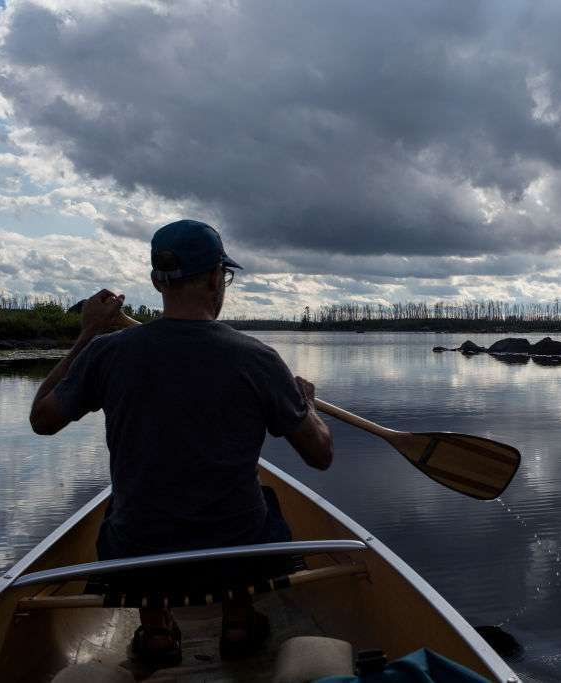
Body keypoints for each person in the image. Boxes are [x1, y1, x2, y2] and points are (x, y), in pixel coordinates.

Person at [29, 219, 333, 664]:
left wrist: (87, 335)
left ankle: (155, 634)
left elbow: (42, 419)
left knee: (123, 510)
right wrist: (307, 405)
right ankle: (239, 623)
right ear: (215, 278)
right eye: (224, 276)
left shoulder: (106, 353)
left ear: (157, 281)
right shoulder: (259, 359)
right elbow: (320, 455)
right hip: (235, 551)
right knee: (263, 501)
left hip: (139, 554)